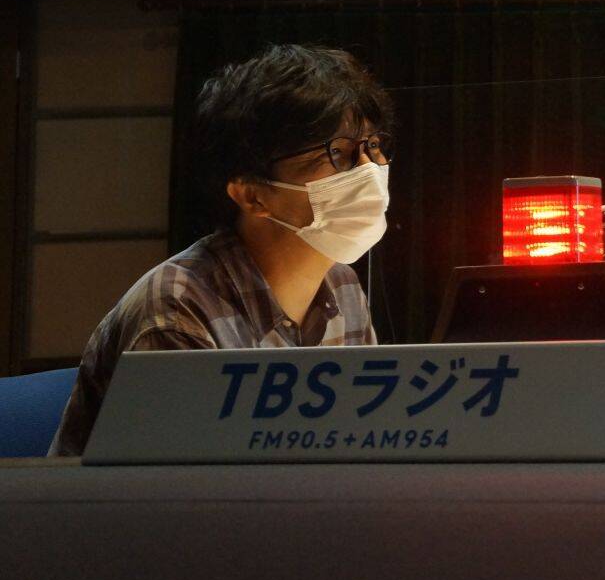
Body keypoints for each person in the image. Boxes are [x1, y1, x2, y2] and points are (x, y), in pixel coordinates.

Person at [49, 45, 391, 456]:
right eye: (338, 152)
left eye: (373, 145)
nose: (371, 169)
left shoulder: (342, 284)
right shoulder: (177, 310)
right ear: (252, 195)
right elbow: (182, 488)